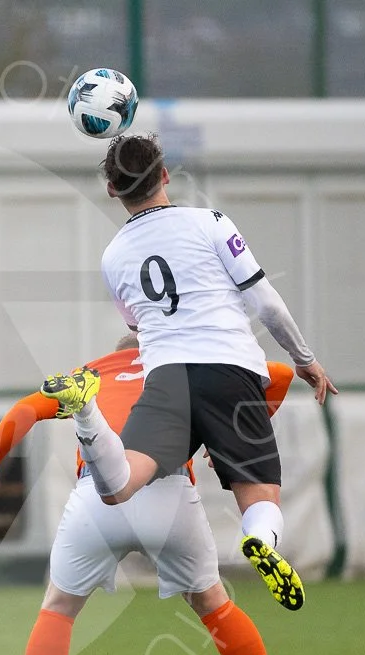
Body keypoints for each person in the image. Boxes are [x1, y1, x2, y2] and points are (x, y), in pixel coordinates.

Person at [0, 336, 314, 655]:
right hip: (168, 492)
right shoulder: (186, 367)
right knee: (214, 606)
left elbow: (23, 412)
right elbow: (279, 376)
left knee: (59, 608)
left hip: (98, 494)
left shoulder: (91, 372)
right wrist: (231, 433)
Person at [46, 133, 337, 613]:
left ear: (112, 190)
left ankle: (85, 416)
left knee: (121, 484)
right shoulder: (211, 223)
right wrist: (304, 358)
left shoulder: (114, 257)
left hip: (166, 377)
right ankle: (261, 540)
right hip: (232, 369)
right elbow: (265, 302)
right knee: (259, 493)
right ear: (163, 175)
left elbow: (138, 329)